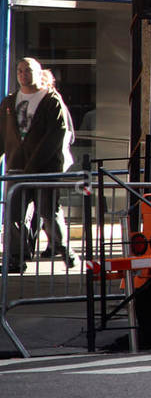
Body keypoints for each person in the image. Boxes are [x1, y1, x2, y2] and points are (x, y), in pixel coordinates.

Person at [1, 57, 76, 271]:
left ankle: (63, 248)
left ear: (38, 72)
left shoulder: (51, 100)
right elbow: (2, 135)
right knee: (15, 215)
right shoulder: (9, 102)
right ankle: (17, 257)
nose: (23, 74)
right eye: (20, 70)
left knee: (48, 211)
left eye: (28, 70)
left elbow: (56, 134)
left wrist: (35, 163)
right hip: (16, 167)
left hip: (45, 168)